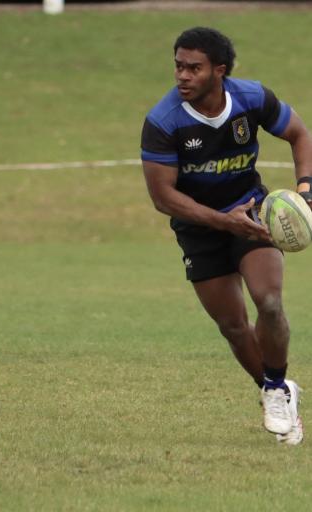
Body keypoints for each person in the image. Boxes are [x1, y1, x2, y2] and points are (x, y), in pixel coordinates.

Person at [141, 26, 312, 445]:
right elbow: (163, 197)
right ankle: (278, 389)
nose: (182, 75)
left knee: (269, 301)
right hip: (198, 227)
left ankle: (274, 389)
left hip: (252, 213)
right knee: (233, 325)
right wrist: (222, 221)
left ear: (219, 71)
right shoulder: (164, 121)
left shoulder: (251, 98)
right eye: (179, 66)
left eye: (193, 68)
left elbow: (300, 134)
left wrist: (306, 190)